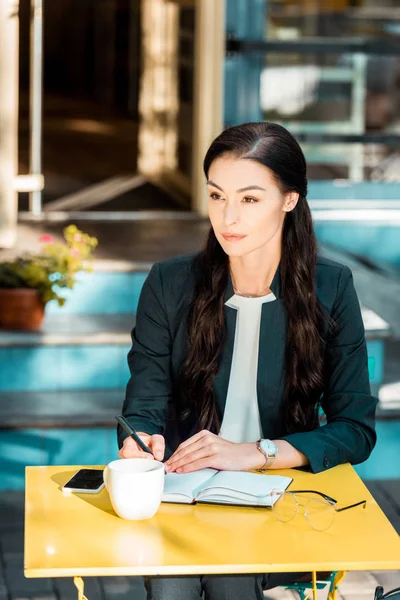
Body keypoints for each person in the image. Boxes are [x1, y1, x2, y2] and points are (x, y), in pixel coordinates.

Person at [117, 122, 378, 600]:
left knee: (232, 581)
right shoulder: (169, 283)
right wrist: (139, 441)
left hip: (279, 492)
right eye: (217, 195)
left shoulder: (332, 288)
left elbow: (355, 428)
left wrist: (258, 453)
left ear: (290, 200)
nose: (228, 216)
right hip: (185, 487)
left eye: (250, 198)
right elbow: (143, 402)